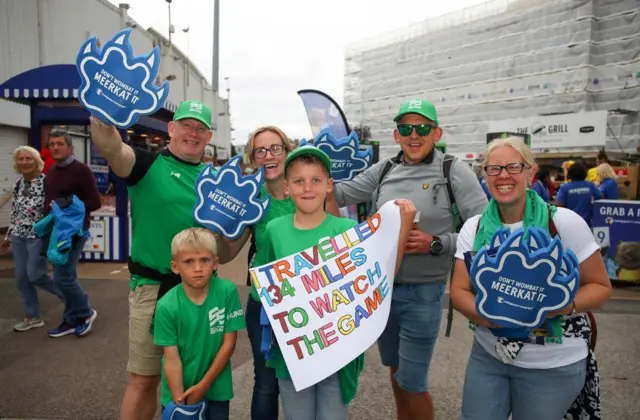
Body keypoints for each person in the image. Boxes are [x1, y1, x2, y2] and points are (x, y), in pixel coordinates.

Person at [327, 99, 488, 420]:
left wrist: (437, 243)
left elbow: (484, 231)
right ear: (396, 134)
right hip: (382, 292)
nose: (414, 134)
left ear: (436, 132)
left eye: (422, 127)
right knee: (396, 371)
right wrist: (309, 168)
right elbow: (338, 194)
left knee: (412, 382)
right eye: (406, 128)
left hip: (423, 293)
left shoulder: (453, 170)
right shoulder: (385, 168)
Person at [89, 100, 248, 420]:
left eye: (200, 128)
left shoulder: (216, 183)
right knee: (144, 378)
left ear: (209, 136)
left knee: (196, 377)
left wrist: (247, 225)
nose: (193, 133)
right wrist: (100, 113)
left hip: (203, 293)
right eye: (186, 125)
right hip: (153, 288)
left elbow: (225, 252)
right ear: (171, 129)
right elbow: (112, 148)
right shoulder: (145, 164)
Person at [451, 137, 611, 420]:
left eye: (513, 166)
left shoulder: (563, 222)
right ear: (484, 175)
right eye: (494, 168)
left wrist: (555, 306)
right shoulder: (473, 228)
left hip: (552, 363)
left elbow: (600, 286)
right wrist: (492, 316)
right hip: (490, 354)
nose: (503, 175)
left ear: (530, 172)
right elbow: (460, 290)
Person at [261, 145, 417, 419]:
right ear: (287, 188)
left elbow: (379, 277)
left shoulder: (346, 232)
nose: (307, 188)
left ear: (328, 185)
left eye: (316, 180)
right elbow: (268, 287)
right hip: (294, 354)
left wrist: (402, 227)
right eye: (299, 181)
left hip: (337, 352)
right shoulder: (274, 230)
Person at [154, 228, 246, 420]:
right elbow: (171, 359)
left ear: (215, 263)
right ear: (175, 266)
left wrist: (203, 385)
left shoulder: (227, 291)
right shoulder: (166, 305)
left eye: (204, 260)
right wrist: (180, 401)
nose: (198, 268)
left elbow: (228, 344)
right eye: (189, 261)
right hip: (179, 392)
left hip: (216, 389)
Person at [244, 126, 295, 420]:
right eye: (260, 151)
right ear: (253, 159)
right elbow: (226, 253)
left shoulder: (306, 189)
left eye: (276, 148)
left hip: (305, 302)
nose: (269, 156)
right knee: (266, 385)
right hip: (262, 304)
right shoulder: (251, 199)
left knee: (302, 383)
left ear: (287, 152)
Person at [44, 129, 101, 337]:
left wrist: (65, 205)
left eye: (60, 144)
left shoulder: (81, 170)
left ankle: (85, 313)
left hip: (74, 232)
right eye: (52, 144)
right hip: (56, 233)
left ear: (70, 147)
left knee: (63, 278)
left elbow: (94, 202)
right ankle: (70, 320)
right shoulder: (51, 171)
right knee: (65, 276)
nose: (55, 147)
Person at [0, 146, 63, 332]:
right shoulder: (18, 184)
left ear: (36, 161)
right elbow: (16, 213)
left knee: (36, 275)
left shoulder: (47, 183)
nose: (24, 162)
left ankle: (74, 300)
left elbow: (55, 211)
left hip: (38, 236)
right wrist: (8, 236)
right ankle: (32, 316)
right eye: (21, 159)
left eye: (28, 158)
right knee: (21, 278)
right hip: (19, 237)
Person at [556, 163, 602, 227]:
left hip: (570, 222)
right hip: (587, 221)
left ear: (570, 173)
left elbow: (560, 205)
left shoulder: (564, 188)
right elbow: (600, 197)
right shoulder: (590, 185)